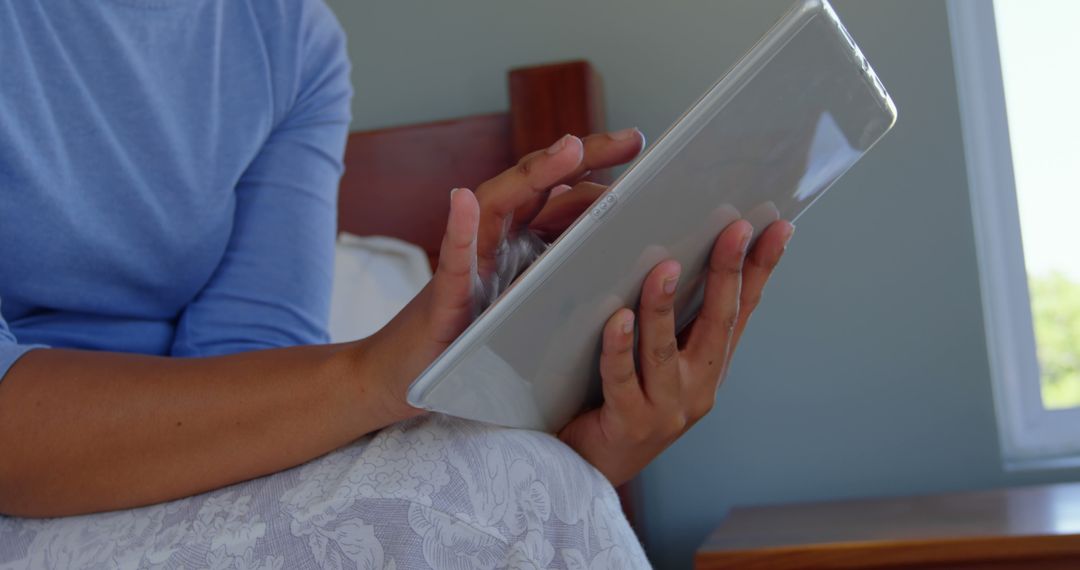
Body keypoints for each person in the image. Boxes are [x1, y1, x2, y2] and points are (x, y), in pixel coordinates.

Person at [0, 0, 792, 567]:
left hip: (149, 476)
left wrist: (552, 434)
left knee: (519, 484)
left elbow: (245, 381)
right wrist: (375, 375)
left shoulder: (286, 37)